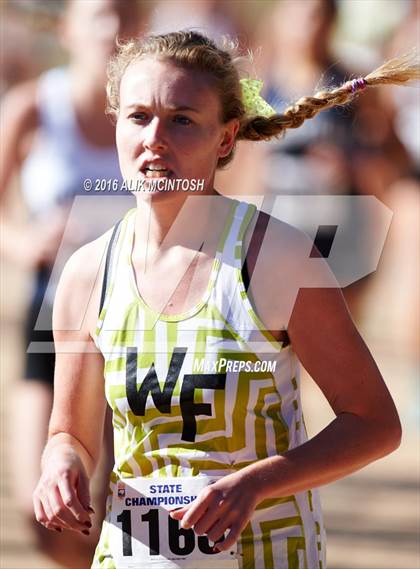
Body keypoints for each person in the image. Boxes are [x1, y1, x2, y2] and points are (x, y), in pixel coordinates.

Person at [32, 31, 417, 568]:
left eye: (182, 119)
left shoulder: (276, 258)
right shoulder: (87, 272)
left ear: (225, 137)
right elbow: (70, 432)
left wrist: (255, 485)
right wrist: (60, 466)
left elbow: (375, 423)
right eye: (138, 116)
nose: (155, 139)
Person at [0, 0, 138, 566]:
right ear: (67, 28)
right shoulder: (35, 105)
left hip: (128, 321)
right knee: (39, 503)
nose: (110, 28)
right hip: (49, 314)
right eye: (98, 14)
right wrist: (24, 241)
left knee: (96, 503)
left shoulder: (150, 110)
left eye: (123, 15)